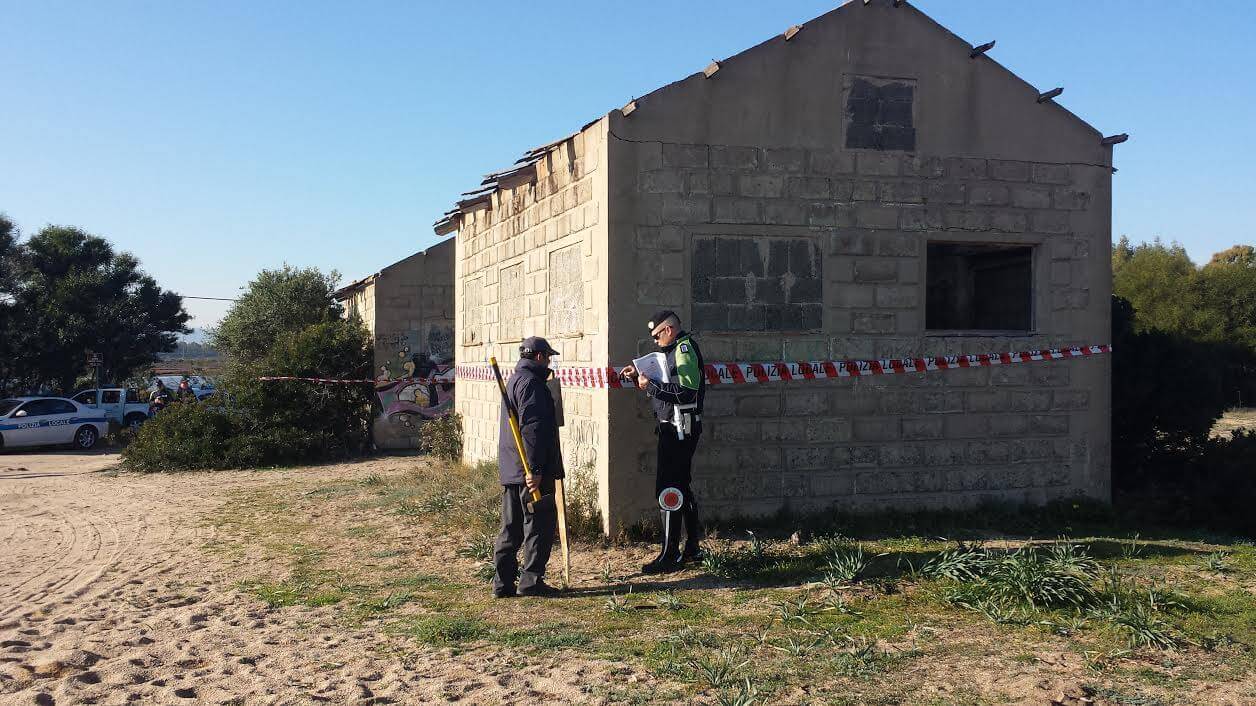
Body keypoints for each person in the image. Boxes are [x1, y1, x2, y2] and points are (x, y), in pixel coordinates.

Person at [619, 310, 706, 574]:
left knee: (669, 488)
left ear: (668, 330)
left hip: (681, 428)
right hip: (673, 427)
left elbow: (687, 392)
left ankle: (670, 555)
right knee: (680, 486)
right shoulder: (672, 351)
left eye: (657, 336)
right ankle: (692, 548)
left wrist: (651, 387)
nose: (655, 341)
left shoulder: (684, 349)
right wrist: (637, 375)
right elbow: (666, 374)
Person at [493, 336, 565, 598]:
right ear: (538, 357)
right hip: (528, 470)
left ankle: (502, 584)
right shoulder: (532, 384)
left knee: (510, 529)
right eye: (548, 357)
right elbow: (533, 429)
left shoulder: (514, 380)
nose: (549, 362)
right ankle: (531, 582)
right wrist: (534, 470)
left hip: (512, 469)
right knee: (539, 525)